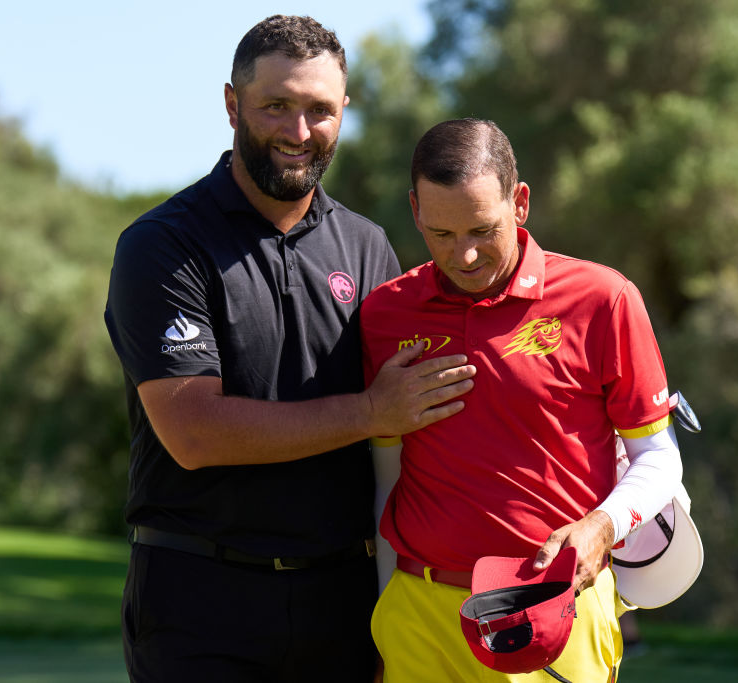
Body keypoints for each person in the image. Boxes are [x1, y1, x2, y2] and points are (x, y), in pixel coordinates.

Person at [103, 16, 475, 683]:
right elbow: (193, 430)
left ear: (343, 113)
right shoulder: (162, 246)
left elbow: (419, 415)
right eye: (277, 105)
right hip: (199, 599)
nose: (298, 132)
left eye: (319, 110)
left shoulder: (368, 247)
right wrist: (370, 412)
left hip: (347, 600)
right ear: (231, 104)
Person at [360, 118, 690, 682]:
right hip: (418, 615)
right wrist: (379, 610)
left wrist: (599, 528)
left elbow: (659, 458)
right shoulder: (385, 313)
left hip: (555, 610)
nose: (463, 257)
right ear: (415, 211)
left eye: (481, 231)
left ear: (520, 203)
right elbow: (386, 481)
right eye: (441, 234)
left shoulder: (604, 299)